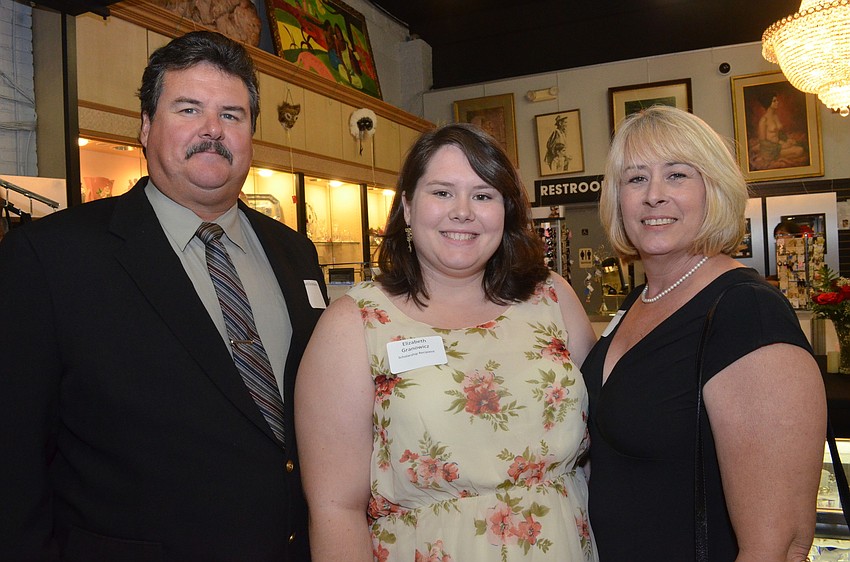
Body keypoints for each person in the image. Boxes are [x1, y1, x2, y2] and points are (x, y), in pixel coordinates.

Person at [0, 31, 327, 560]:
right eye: (188, 108)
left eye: (232, 115)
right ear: (146, 128)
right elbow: (12, 462)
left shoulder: (295, 254)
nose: (212, 131)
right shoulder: (50, 258)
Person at [296, 123, 598, 561]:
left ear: (506, 211)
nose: (463, 211)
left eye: (482, 194)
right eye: (442, 192)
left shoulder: (552, 297)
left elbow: (603, 449)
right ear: (407, 205)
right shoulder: (357, 323)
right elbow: (334, 508)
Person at [582, 105, 826, 560]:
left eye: (676, 175)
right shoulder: (638, 302)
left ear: (713, 190)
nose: (653, 195)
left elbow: (778, 546)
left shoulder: (745, 313)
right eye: (635, 179)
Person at [752, 92, 806, 170]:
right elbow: (763, 142)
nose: (777, 102)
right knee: (799, 151)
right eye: (774, 101)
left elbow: (779, 133)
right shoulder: (763, 120)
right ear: (768, 103)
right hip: (770, 150)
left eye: (777, 100)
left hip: (778, 145)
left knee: (800, 148)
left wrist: (786, 140)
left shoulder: (775, 116)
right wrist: (780, 146)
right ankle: (773, 158)